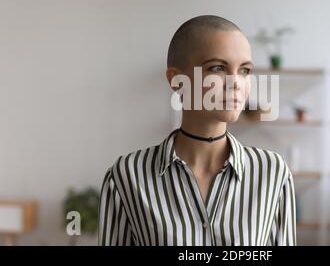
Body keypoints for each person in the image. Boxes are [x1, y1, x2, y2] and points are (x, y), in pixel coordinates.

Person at [98, 15, 296, 246]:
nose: (236, 83)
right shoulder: (127, 176)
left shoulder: (272, 173)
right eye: (218, 68)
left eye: (244, 70)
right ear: (176, 80)